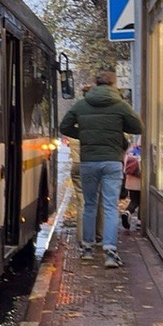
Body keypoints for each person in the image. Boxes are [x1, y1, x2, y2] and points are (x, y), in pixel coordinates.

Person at [58, 70, 144, 267]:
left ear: (96, 84)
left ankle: (87, 249)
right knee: (110, 206)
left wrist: (85, 135)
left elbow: (65, 127)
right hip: (112, 161)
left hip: (88, 161)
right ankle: (110, 253)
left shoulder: (81, 104)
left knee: (89, 205)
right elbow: (138, 127)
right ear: (113, 85)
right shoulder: (120, 105)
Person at [121, 141, 141, 230]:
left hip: (131, 180)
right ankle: (140, 221)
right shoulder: (150, 150)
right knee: (143, 201)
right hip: (141, 180)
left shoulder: (131, 150)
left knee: (134, 201)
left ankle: (127, 212)